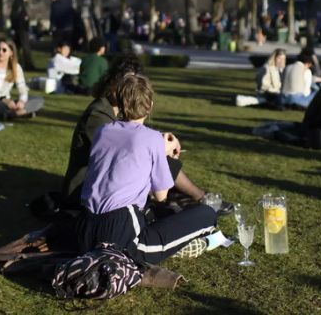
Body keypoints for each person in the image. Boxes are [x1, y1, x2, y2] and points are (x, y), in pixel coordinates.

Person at [72, 74, 218, 265]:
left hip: (84, 231)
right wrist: (170, 158)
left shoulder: (103, 131)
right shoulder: (153, 139)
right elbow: (161, 196)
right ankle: (206, 240)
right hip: (120, 237)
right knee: (207, 213)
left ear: (121, 103)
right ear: (149, 106)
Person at [61, 54, 214, 211]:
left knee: (156, 154)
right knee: (158, 158)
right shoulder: (98, 115)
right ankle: (199, 197)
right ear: (113, 81)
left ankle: (193, 197)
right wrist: (158, 147)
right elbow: (117, 151)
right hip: (87, 192)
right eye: (126, 83)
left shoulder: (112, 112)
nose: (130, 90)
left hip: (104, 187)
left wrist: (156, 141)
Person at [0, 39, 43, 118]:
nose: (0, 52)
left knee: (39, 100)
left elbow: (22, 88)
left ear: (11, 53)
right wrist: (3, 99)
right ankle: (17, 113)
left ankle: (13, 113)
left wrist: (21, 101)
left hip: (9, 103)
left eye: (4, 50)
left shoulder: (16, 67)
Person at [9, 0, 36, 70]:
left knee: (16, 47)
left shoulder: (18, 3)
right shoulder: (19, 4)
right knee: (25, 47)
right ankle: (28, 65)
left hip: (19, 28)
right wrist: (25, 19)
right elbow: (16, 16)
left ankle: (13, 63)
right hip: (21, 28)